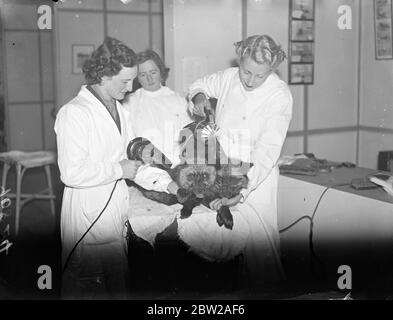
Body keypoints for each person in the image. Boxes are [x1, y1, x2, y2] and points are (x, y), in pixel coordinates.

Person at [187, 34, 293, 290]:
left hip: (257, 176)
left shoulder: (279, 95)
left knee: (260, 252)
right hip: (221, 168)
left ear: (272, 69)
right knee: (220, 244)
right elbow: (196, 86)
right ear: (240, 59)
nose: (252, 81)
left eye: (261, 75)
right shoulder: (228, 77)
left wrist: (243, 189)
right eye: (247, 72)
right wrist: (200, 98)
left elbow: (267, 151)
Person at [54, 37, 142, 299]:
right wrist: (119, 170)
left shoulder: (120, 110)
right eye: (125, 81)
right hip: (87, 223)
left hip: (114, 218)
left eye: (132, 80)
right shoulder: (74, 113)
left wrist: (170, 183)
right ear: (103, 75)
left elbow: (131, 162)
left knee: (118, 290)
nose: (131, 87)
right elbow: (71, 172)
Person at [123, 49, 192, 195]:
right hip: (147, 178)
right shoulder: (130, 104)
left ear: (161, 72)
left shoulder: (178, 100)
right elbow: (130, 146)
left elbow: (188, 136)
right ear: (137, 78)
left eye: (153, 72)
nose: (149, 78)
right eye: (143, 74)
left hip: (180, 171)